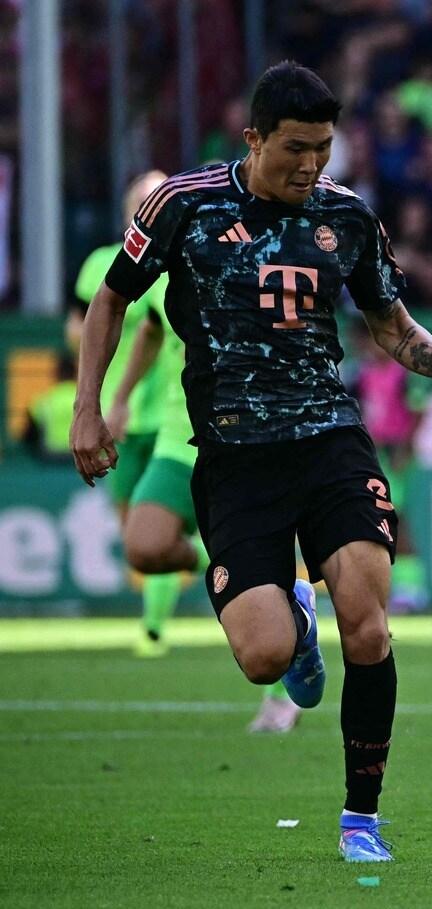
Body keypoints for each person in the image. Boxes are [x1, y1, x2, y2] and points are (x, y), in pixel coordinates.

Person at [70, 61, 432, 862]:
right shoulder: (183, 205)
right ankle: (296, 621)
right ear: (253, 139)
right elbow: (112, 298)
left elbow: (391, 326)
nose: (311, 166)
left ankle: (361, 818)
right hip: (234, 456)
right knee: (263, 656)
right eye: (295, 149)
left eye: (323, 149)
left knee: (370, 626)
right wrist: (88, 407)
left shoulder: (346, 216)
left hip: (329, 441)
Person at [108, 259, 298, 733]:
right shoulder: (158, 275)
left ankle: (281, 698)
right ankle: (235, 569)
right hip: (178, 438)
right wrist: (120, 399)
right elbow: (150, 330)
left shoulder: (244, 262)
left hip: (239, 441)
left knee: (262, 605)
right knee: (144, 545)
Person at [70, 171, 184, 657]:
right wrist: (103, 394)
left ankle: (153, 627)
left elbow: (154, 330)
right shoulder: (102, 265)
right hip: (121, 419)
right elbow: (78, 326)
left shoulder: (178, 263)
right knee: (136, 533)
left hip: (169, 420)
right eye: (143, 200)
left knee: (156, 527)